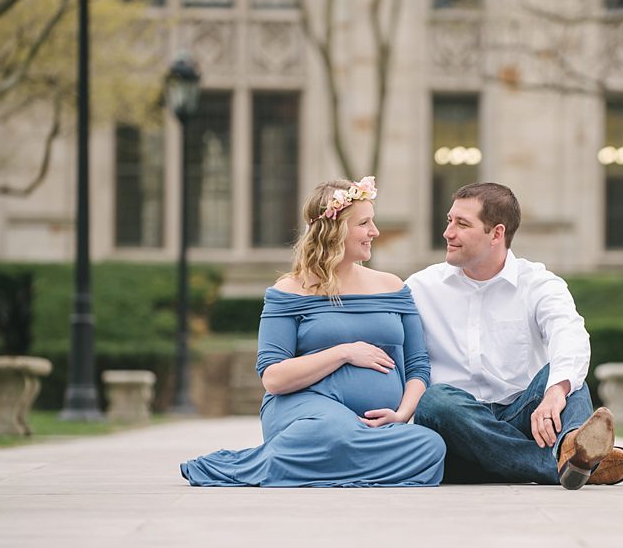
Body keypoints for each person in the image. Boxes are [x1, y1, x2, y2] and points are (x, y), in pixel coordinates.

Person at [180, 177, 446, 488]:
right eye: (364, 223)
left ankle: (318, 463)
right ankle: (333, 459)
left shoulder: (393, 287)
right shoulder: (289, 292)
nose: (374, 232)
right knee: (333, 430)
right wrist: (344, 352)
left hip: (375, 423)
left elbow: (417, 367)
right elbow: (274, 378)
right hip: (303, 410)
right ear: (335, 230)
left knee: (430, 447)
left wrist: (402, 415)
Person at [406, 183, 623, 489]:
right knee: (435, 400)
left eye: (462, 224)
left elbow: (570, 334)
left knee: (566, 378)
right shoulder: (420, 288)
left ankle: (565, 448)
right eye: (449, 221)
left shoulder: (539, 283)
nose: (448, 232)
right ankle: (570, 465)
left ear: (496, 234)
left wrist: (555, 391)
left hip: (525, 418)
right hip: (455, 428)